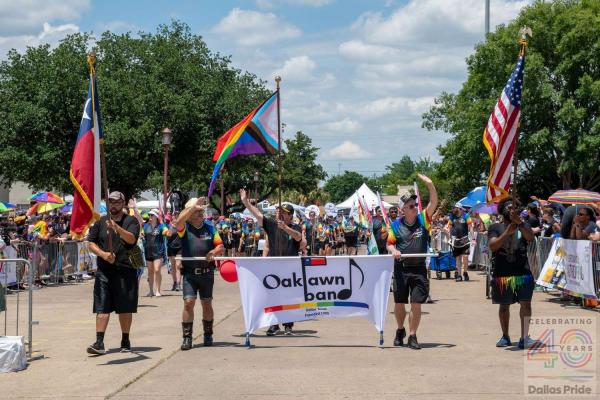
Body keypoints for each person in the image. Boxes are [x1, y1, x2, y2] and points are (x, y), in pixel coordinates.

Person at [240, 189, 302, 335]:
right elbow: (258, 214)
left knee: (288, 297)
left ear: (290, 216)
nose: (280, 214)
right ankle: (274, 324)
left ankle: (288, 325)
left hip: (290, 269)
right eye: (279, 212)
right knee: (273, 296)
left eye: (284, 213)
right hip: (274, 267)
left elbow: (298, 237)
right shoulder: (272, 225)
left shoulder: (295, 227)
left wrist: (285, 228)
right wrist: (246, 202)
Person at [386, 173, 437, 349]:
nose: (415, 207)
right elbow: (389, 244)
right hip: (401, 268)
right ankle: (400, 330)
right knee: (399, 304)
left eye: (415, 205)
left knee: (416, 304)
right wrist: (394, 250)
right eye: (411, 205)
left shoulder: (423, 219)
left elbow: (433, 203)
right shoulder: (395, 226)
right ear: (403, 209)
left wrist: (430, 185)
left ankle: (413, 335)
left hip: (419, 269)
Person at [86, 191, 141, 355]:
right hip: (104, 271)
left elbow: (131, 239)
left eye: (117, 202)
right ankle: (99, 342)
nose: (114, 205)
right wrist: (103, 254)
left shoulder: (131, 221)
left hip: (125, 270)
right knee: (102, 307)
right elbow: (90, 243)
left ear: (123, 204)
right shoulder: (100, 222)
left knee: (125, 308)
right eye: (111, 202)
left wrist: (116, 227)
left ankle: (125, 339)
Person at [176, 197, 224, 350]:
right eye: (197, 211)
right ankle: (187, 337)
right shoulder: (184, 228)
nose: (200, 213)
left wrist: (214, 251)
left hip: (207, 272)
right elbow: (178, 222)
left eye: (201, 210)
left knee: (207, 303)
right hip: (190, 273)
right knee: (188, 303)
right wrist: (192, 208)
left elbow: (220, 245)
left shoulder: (210, 227)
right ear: (189, 213)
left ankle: (208, 334)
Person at [488, 197, 536, 350]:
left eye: (514, 207)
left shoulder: (524, 225)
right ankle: (505, 336)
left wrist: (520, 224)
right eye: (508, 207)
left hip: (522, 271)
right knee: (504, 306)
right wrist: (507, 233)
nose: (511, 209)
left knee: (526, 304)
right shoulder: (495, 227)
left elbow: (530, 238)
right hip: (502, 273)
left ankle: (524, 337)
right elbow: (493, 246)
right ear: (502, 210)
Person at [143, 209, 168, 297]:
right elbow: (142, 232)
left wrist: (161, 221)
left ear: (156, 217)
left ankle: (158, 290)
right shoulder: (146, 226)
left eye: (152, 215)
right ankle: (151, 291)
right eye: (149, 215)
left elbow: (166, 232)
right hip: (148, 252)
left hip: (158, 252)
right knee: (150, 271)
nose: (150, 217)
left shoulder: (160, 226)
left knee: (157, 270)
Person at [449, 203, 470, 282]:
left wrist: (473, 239)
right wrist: (449, 237)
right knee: (458, 258)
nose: (453, 209)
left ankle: (465, 272)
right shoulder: (452, 216)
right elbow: (450, 227)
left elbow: (470, 227)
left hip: (465, 239)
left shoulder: (466, 215)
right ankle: (459, 275)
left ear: (459, 208)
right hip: (456, 240)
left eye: (455, 208)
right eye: (453, 208)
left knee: (465, 257)